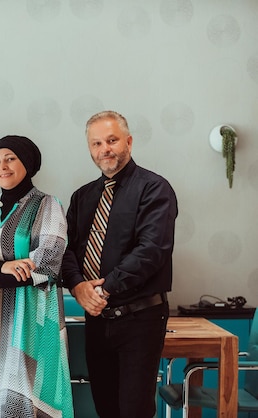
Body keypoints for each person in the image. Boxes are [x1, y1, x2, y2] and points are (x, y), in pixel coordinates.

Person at [62, 110, 178, 418]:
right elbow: (67, 250)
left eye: (112, 140)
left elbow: (151, 250)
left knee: (134, 410)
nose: (105, 149)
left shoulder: (155, 189)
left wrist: (103, 290)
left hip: (140, 318)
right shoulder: (82, 197)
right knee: (106, 407)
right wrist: (78, 286)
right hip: (98, 321)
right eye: (97, 143)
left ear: (128, 141)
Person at [0, 135, 74, 418]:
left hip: (31, 319)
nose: (2, 166)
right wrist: (0, 268)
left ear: (27, 164)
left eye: (10, 159)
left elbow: (46, 261)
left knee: (27, 395)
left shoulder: (47, 205)